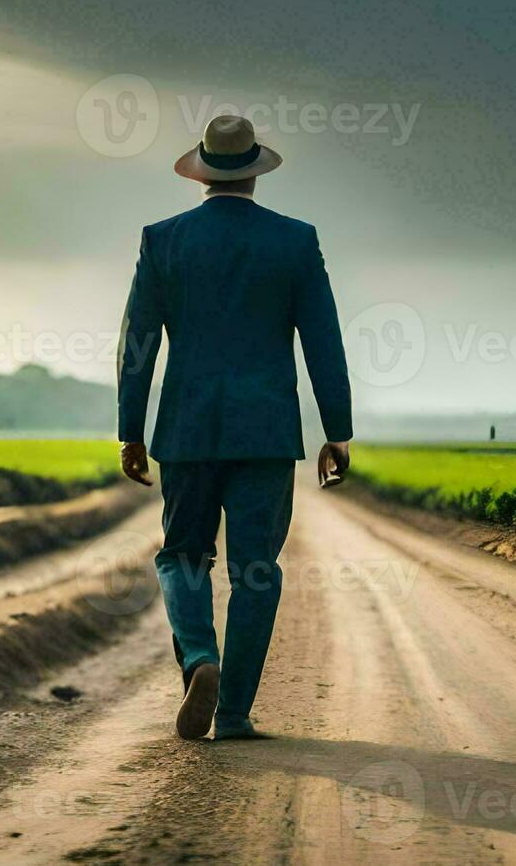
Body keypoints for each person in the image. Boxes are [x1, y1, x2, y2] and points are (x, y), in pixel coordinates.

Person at [116, 114, 353, 741]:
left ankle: (200, 657)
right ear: (254, 173)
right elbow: (323, 341)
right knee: (256, 570)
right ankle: (236, 712)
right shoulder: (296, 242)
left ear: (201, 171)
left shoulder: (162, 240)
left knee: (181, 557)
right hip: (267, 431)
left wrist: (129, 430)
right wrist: (338, 430)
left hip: (187, 429)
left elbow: (138, 344)